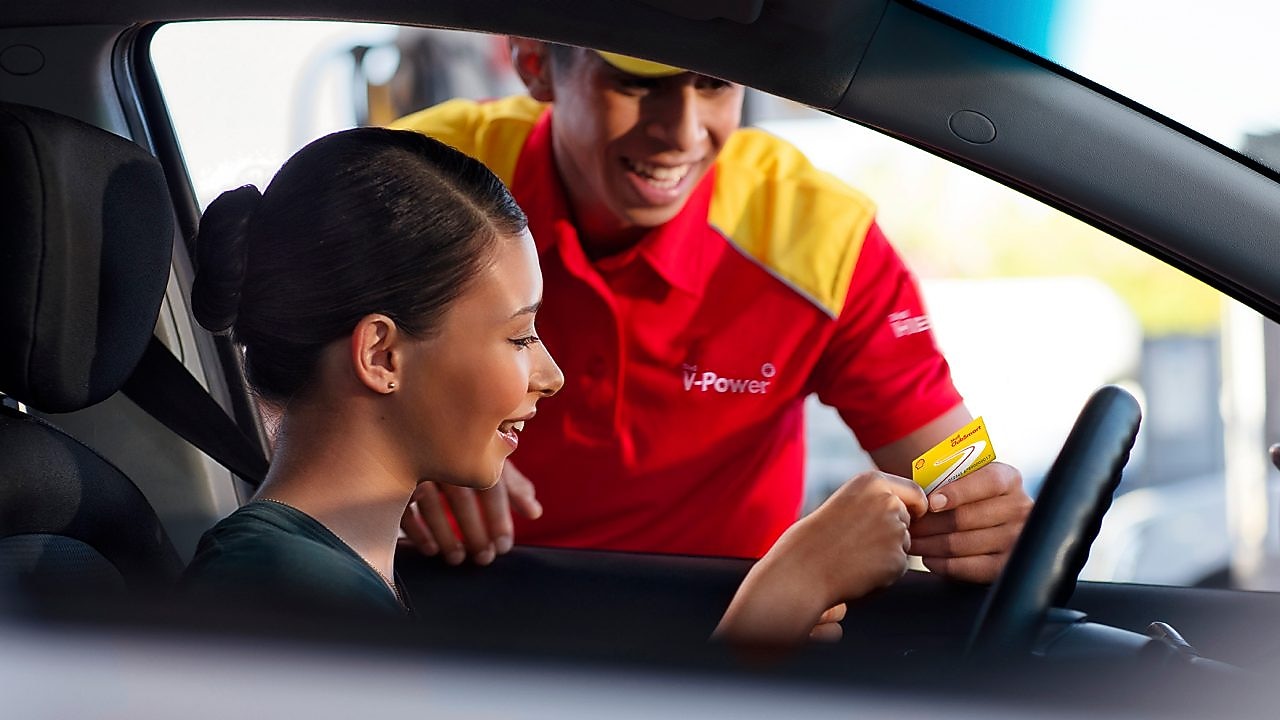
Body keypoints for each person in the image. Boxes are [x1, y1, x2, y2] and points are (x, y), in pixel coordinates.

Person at [180, 126, 929, 646]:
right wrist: (767, 618)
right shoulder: (276, 591)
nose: (552, 374)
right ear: (380, 354)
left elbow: (950, 445)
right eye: (517, 337)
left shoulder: (330, 573)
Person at [389, 41, 1032, 581]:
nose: (683, 132)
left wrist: (986, 512)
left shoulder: (818, 236)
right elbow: (293, 399)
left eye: (716, 82)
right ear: (535, 62)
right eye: (638, 80)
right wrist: (397, 448)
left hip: (729, 647)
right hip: (440, 624)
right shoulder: (417, 180)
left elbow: (955, 473)